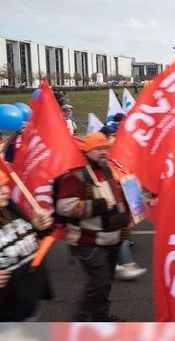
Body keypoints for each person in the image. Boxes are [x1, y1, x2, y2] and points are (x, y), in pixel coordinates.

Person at [55, 133, 130, 321]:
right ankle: (77, 322)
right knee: (99, 282)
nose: (103, 152)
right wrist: (97, 206)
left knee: (104, 284)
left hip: (113, 238)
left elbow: (119, 198)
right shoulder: (77, 176)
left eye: (105, 148)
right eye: (98, 149)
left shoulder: (109, 170)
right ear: (87, 152)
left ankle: (101, 318)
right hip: (88, 240)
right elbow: (64, 206)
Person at [0, 169, 54, 321]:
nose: (5, 191)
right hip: (6, 311)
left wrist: (38, 227)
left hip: (29, 299)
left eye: (4, 185)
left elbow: (32, 237)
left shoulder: (9, 206)